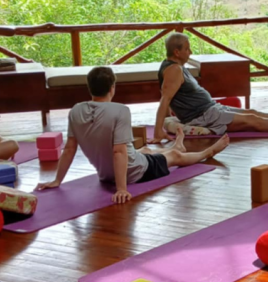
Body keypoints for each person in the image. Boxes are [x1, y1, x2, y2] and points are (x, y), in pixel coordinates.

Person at [37, 66, 229, 204]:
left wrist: (57, 180)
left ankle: (176, 145)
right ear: (112, 87)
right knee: (174, 157)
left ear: (89, 87)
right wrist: (122, 189)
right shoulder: (120, 111)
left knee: (145, 150)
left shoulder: (76, 110)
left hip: (106, 175)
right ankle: (207, 152)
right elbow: (119, 151)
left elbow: (69, 148)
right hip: (135, 173)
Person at [151, 33, 268, 141]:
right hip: (204, 116)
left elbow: (170, 98)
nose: (190, 52)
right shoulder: (173, 70)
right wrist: (159, 132)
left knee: (253, 112)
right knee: (253, 121)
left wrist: (171, 117)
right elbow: (165, 99)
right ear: (177, 52)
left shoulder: (176, 67)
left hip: (210, 110)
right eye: (187, 49)